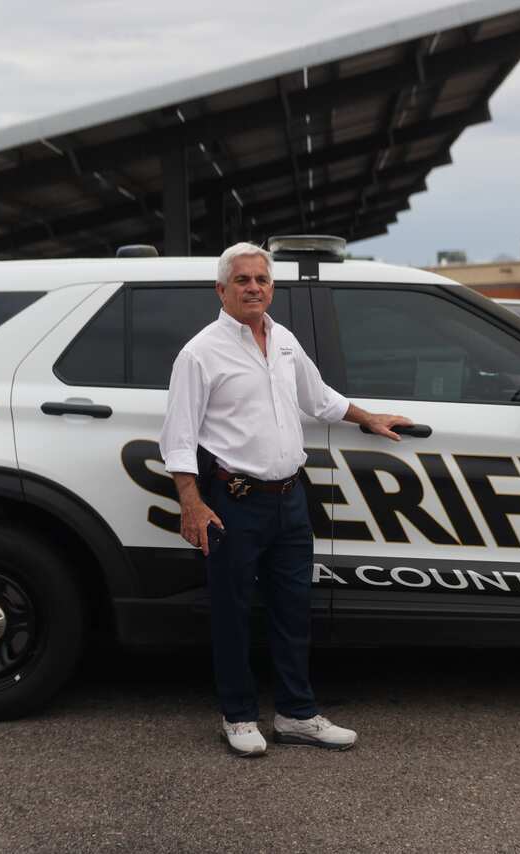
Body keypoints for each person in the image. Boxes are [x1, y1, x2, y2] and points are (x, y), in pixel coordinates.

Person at [159, 242, 411, 757]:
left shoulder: (285, 340)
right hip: (233, 502)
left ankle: (297, 714)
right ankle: (239, 716)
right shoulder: (200, 353)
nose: (254, 288)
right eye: (243, 280)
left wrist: (368, 418)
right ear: (221, 290)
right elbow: (178, 437)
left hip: (290, 501)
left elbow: (318, 399)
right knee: (231, 613)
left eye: (262, 280)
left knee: (294, 610)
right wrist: (191, 502)